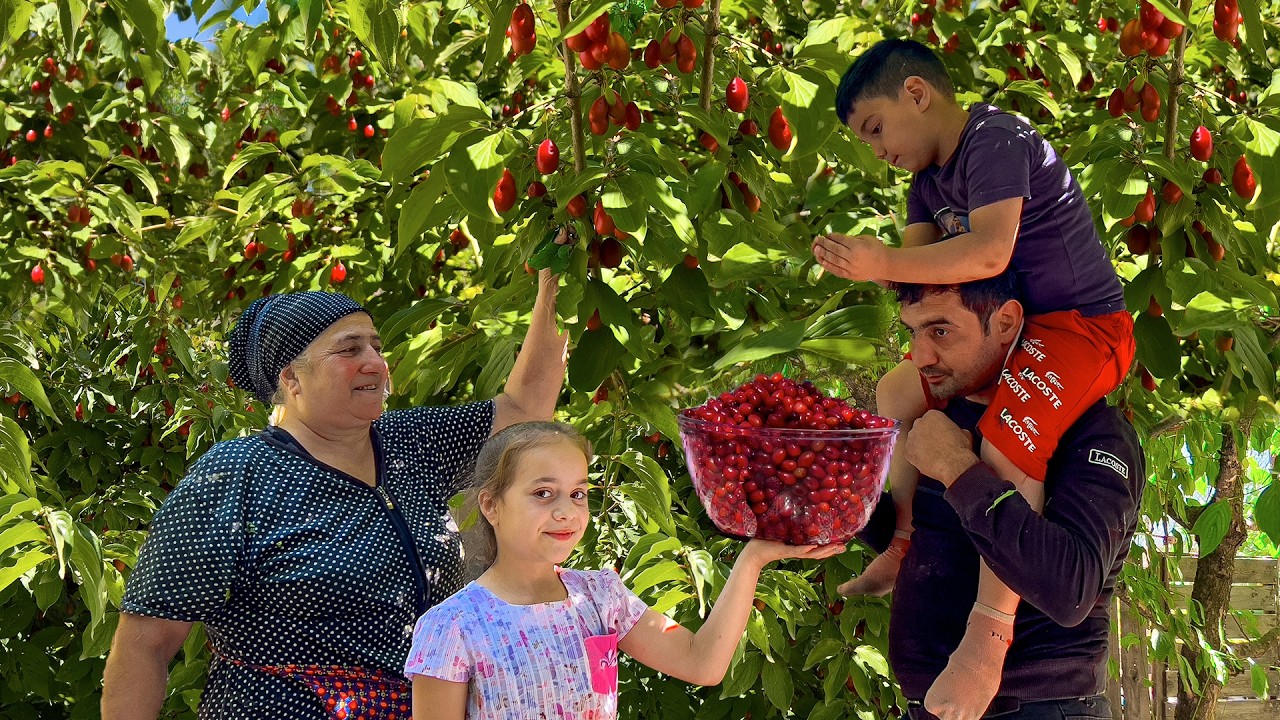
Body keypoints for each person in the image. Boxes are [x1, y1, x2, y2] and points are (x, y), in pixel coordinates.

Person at [100, 248, 570, 720]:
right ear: (291, 378)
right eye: (349, 349)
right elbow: (145, 644)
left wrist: (557, 281)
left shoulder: (409, 443)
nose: (376, 363)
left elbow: (522, 410)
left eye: (376, 347)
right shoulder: (235, 475)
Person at [813, 39, 1135, 716]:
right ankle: (903, 543)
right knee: (894, 392)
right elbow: (919, 287)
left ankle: (987, 640)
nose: (876, 150)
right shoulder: (925, 183)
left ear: (917, 93)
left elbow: (988, 253)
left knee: (1004, 441)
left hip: (1079, 326)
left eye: (876, 129)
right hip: (1018, 329)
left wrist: (881, 262)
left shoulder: (996, 138)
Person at [404, 421, 843, 719]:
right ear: (491, 505)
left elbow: (703, 663)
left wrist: (753, 558)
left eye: (578, 493)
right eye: (543, 493)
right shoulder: (452, 628)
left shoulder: (600, 598)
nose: (567, 512)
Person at [867, 274, 1143, 720]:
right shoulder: (942, 415)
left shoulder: (1098, 433)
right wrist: (822, 498)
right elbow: (933, 545)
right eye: (912, 332)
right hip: (929, 706)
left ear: (1005, 324)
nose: (919, 355)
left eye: (941, 331)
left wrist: (958, 469)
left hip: (1040, 708)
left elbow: (1070, 588)